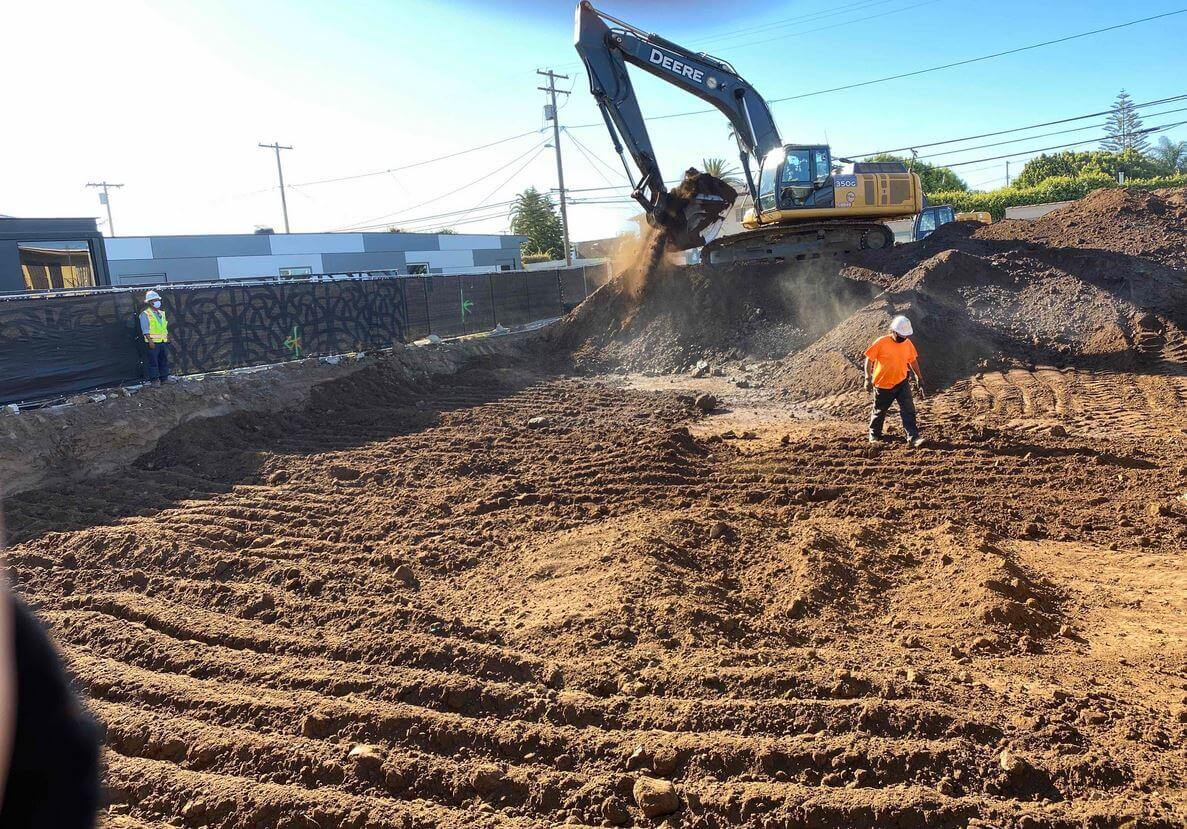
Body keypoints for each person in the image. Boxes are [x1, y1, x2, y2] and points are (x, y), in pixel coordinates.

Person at [864, 315, 926, 447]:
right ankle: (874, 435)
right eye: (901, 336)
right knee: (879, 411)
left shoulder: (907, 343)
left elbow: (913, 361)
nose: (903, 339)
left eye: (905, 336)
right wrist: (867, 378)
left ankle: (913, 437)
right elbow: (869, 359)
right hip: (882, 385)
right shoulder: (881, 342)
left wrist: (919, 378)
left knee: (909, 409)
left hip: (901, 381)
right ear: (893, 331)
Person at [139, 290, 170, 383]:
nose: (157, 302)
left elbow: (163, 327)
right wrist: (150, 341)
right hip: (152, 342)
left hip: (163, 341)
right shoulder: (145, 314)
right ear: (150, 302)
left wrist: (167, 336)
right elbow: (145, 329)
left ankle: (164, 378)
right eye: (155, 300)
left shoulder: (161, 313)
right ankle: (154, 380)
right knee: (153, 362)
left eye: (158, 299)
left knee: (163, 360)